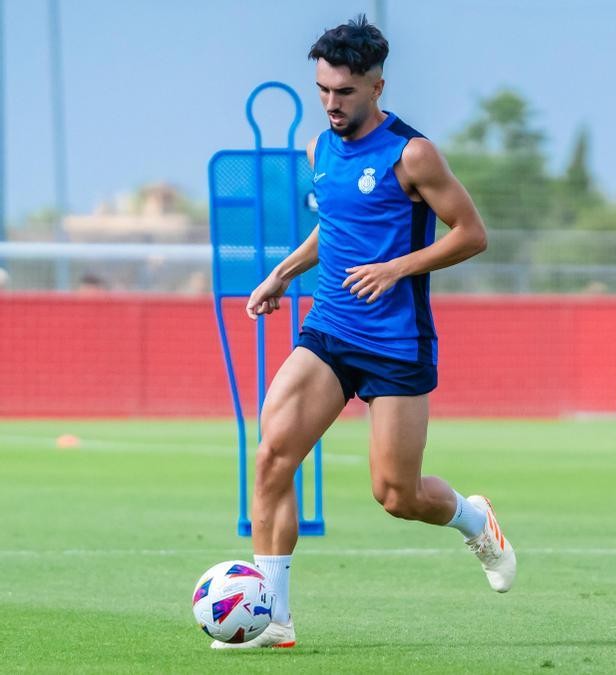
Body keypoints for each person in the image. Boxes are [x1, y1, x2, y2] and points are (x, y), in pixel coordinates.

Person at [219, 16, 514, 649]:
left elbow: (471, 233)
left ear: (377, 86)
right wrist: (281, 273)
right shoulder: (318, 149)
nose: (331, 104)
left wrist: (397, 268)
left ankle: (474, 518)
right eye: (323, 90)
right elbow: (339, 229)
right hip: (328, 329)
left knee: (396, 494)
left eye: (345, 92)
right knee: (272, 455)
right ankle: (274, 619)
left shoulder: (413, 153)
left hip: (396, 344)